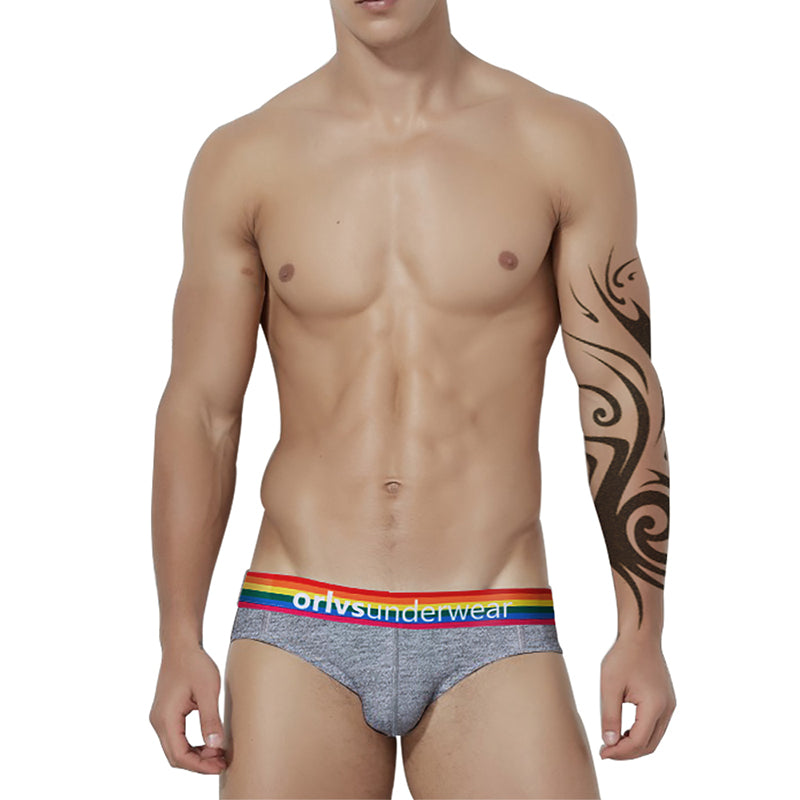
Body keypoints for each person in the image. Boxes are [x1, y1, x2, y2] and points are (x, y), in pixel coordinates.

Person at [148, 0, 676, 797]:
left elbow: (619, 388)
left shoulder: (563, 144)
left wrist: (642, 629)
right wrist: (177, 637)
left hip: (493, 615)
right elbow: (202, 412)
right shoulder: (246, 158)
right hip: (298, 616)